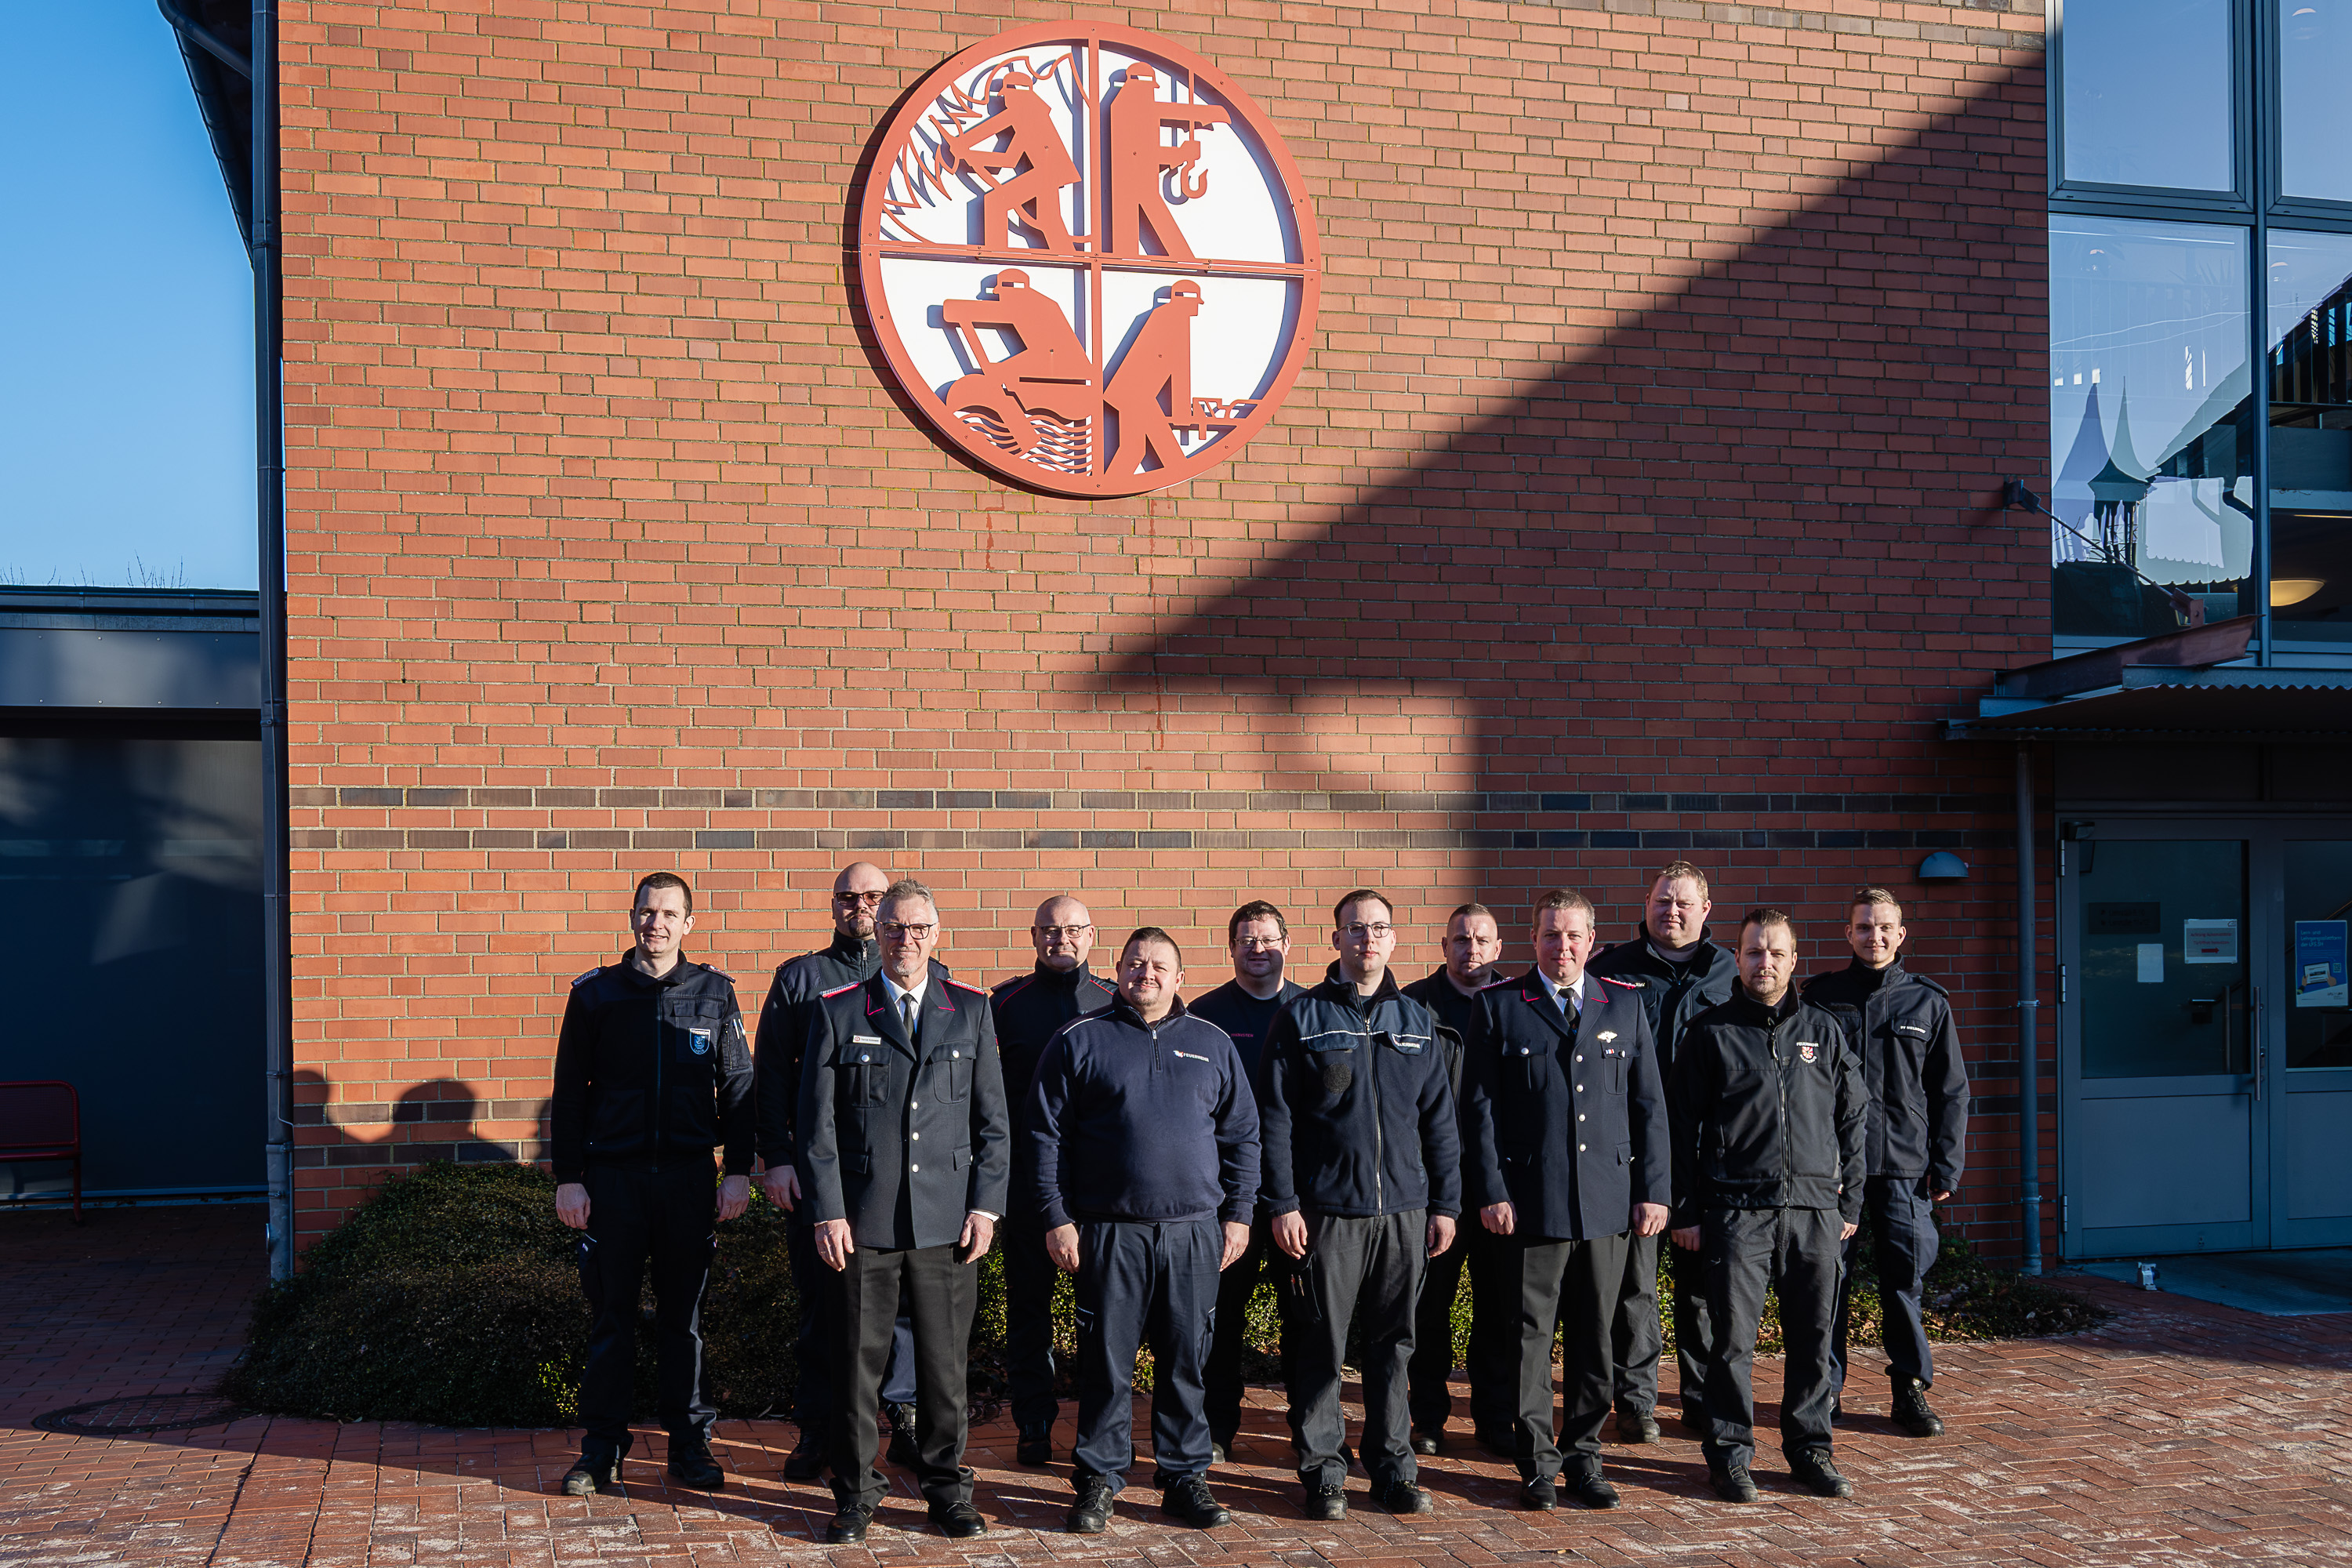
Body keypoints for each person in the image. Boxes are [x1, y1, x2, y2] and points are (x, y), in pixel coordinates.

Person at [797, 880, 1010, 1543]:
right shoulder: (839, 1010)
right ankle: (856, 1493)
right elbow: (817, 1128)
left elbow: (993, 1124)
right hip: (863, 1223)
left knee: (945, 1369)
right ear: (878, 933)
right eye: (893, 927)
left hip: (948, 1224)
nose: (905, 939)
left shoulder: (970, 1009)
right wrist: (828, 1212)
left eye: (918, 928)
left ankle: (947, 1491)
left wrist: (986, 1208)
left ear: (935, 935)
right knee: (857, 1369)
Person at [1029, 927, 1261, 1535]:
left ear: (1180, 977)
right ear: (1119, 971)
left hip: (1193, 1232)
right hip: (1110, 1233)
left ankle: (1184, 1477)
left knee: (1186, 1362)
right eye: (1136, 963)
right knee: (1107, 1366)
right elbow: (1045, 1136)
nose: (1146, 974)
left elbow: (1242, 1136)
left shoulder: (1212, 1042)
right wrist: (1057, 1217)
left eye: (1159, 965)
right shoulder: (1079, 1039)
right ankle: (1098, 1478)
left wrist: (1239, 1215)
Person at [1460, 890, 1671, 1512]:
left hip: (1606, 1204)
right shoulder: (1501, 1006)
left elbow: (1649, 1106)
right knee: (1529, 1339)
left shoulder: (1623, 1004)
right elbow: (1479, 1111)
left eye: (1574, 935)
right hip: (1531, 1204)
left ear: (1591, 940)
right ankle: (1537, 1465)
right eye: (1551, 934)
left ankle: (1584, 1457)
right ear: (1534, 939)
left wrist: (1654, 1191)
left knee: (1594, 1338)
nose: (1563, 946)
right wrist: (1491, 1191)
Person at [1255, 891, 1460, 1519]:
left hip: (1404, 1211)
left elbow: (1439, 1122)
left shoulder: (1417, 1020)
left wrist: (1445, 1204)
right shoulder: (1301, 1017)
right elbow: (1275, 1119)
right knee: (1320, 1342)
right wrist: (1283, 1203)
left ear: (1392, 939)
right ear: (1336, 939)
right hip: (1328, 1214)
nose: (1366, 939)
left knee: (1395, 1344)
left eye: (1378, 929)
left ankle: (1393, 1468)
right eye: (1354, 929)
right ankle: (1323, 1471)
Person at [551, 872, 753, 1497]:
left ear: (688, 923)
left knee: (683, 1321)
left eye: (668, 914)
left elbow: (739, 1089)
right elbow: (569, 1094)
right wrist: (569, 1179)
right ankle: (601, 1450)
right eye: (646, 911)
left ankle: (689, 1446)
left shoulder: (715, 994)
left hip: (688, 1180)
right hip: (613, 1180)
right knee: (611, 1318)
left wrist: (738, 1170)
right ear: (633, 917)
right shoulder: (595, 994)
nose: (655, 923)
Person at [1670, 909, 1865, 1504]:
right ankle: (1731, 1455)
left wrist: (1851, 1201)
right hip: (1737, 1212)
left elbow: (1854, 1115)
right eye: (1754, 952)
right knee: (1732, 1342)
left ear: (1794, 960)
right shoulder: (1710, 1031)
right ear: (1738, 957)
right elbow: (1680, 1128)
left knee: (1814, 1338)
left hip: (1813, 1211)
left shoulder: (1824, 1030)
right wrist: (1686, 1211)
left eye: (1776, 953)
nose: (1765, 963)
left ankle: (1811, 1449)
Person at [752, 860, 923, 1480]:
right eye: (848, 897)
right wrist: (776, 1159)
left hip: (898, 1178)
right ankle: (819, 1428)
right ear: (833, 906)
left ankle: (904, 1419)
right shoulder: (801, 978)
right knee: (823, 1305)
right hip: (820, 1176)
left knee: (905, 1306)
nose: (861, 907)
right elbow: (770, 1074)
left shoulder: (926, 977)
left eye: (873, 896)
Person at [1802, 887, 1969, 1439]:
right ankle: (1825, 1390)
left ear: (1901, 934)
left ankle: (1909, 1388)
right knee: (1829, 1281)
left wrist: (1946, 1164)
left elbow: (1951, 1091)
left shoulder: (1928, 1002)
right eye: (1864, 927)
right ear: (1848, 933)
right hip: (1833, 1169)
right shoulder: (1821, 998)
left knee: (1904, 1281)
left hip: (1904, 1167)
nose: (1874, 936)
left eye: (1884, 927)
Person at [1587, 860, 1738, 1442]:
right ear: (1646, 904)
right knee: (1636, 1286)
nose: (1670, 911)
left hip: (1707, 1152)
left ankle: (1699, 1399)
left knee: (1702, 1286)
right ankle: (1636, 1402)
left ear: (1705, 909)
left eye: (1682, 903)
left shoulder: (1729, 971)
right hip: (1632, 1150)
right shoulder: (1611, 970)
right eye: (1660, 901)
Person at [988, 894, 1116, 1466]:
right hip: (1028, 1186)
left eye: (1072, 929)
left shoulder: (1115, 1001)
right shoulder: (1004, 1005)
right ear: (1034, 937)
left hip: (1102, 1189)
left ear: (1091, 935)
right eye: (1049, 930)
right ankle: (1034, 1422)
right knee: (1029, 1311)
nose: (1060, 939)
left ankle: (1100, 1425)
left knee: (1105, 1315)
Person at [1185, 898, 1307, 1463]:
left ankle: (1313, 1432)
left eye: (1268, 939)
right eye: (1247, 940)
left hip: (1296, 1197)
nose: (1258, 949)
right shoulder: (1204, 1016)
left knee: (1306, 1319)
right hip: (1226, 1196)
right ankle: (1216, 1428)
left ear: (1287, 944)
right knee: (1221, 1318)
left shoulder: (1312, 1010)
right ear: (1230, 947)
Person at [1399, 902, 1512, 1454]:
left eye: (1482, 940)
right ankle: (1428, 1418)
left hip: (1499, 1186)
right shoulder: (1413, 1006)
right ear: (1444, 946)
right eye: (1461, 940)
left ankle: (1495, 1417)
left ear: (1498, 948)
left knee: (1499, 1308)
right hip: (1431, 1185)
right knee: (1428, 1308)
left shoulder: (1517, 1002)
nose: (1471, 949)